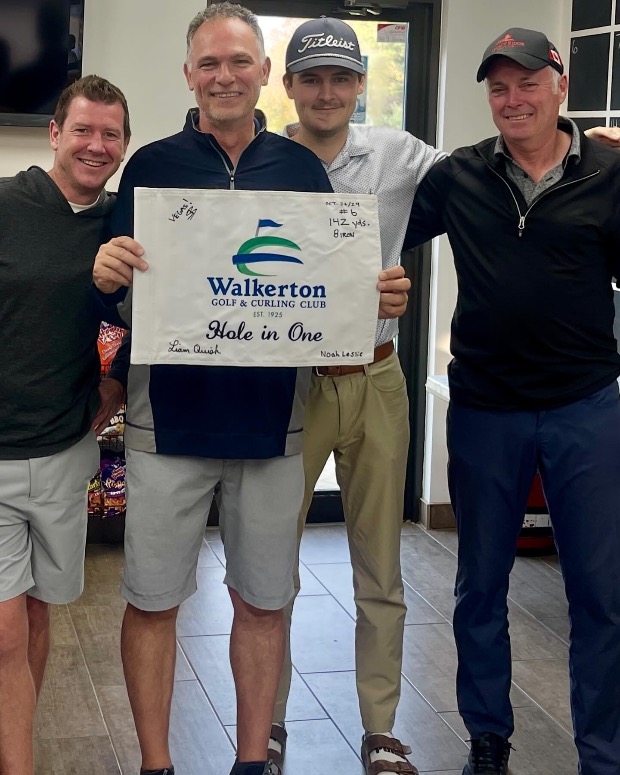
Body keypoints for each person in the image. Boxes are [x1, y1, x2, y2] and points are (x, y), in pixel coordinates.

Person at [91, 5, 408, 775]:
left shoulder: (302, 172)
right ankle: (157, 764)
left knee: (264, 603)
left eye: (240, 61)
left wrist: (374, 298)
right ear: (189, 74)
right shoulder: (150, 168)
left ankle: (250, 763)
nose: (225, 76)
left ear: (265, 72)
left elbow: (327, 290)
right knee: (152, 601)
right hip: (167, 425)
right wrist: (106, 277)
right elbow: (119, 297)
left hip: (274, 430)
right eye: (209, 63)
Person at [405, 27, 620, 775]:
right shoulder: (459, 175)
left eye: (528, 83)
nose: (513, 98)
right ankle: (488, 739)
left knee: (599, 593)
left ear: (560, 87)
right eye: (499, 87)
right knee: (479, 585)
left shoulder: (610, 173)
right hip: (485, 408)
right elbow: (373, 232)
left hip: (585, 407)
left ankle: (603, 755)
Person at [266, 17, 445, 775]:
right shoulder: (262, 160)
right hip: (287, 385)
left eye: (341, 78)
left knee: (381, 565)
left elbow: (488, 173)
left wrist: (580, 148)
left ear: (362, 85)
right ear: (289, 86)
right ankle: (265, 723)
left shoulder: (400, 155)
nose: (327, 92)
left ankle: (381, 729)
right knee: (269, 564)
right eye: (311, 78)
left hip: (375, 375)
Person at [0, 74, 130, 775]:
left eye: (111, 134)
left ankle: (14, 737)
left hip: (65, 449)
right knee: (4, 632)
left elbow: (150, 310)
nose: (95, 145)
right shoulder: (6, 202)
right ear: (55, 133)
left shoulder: (120, 223)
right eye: (83, 129)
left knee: (38, 614)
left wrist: (118, 377)